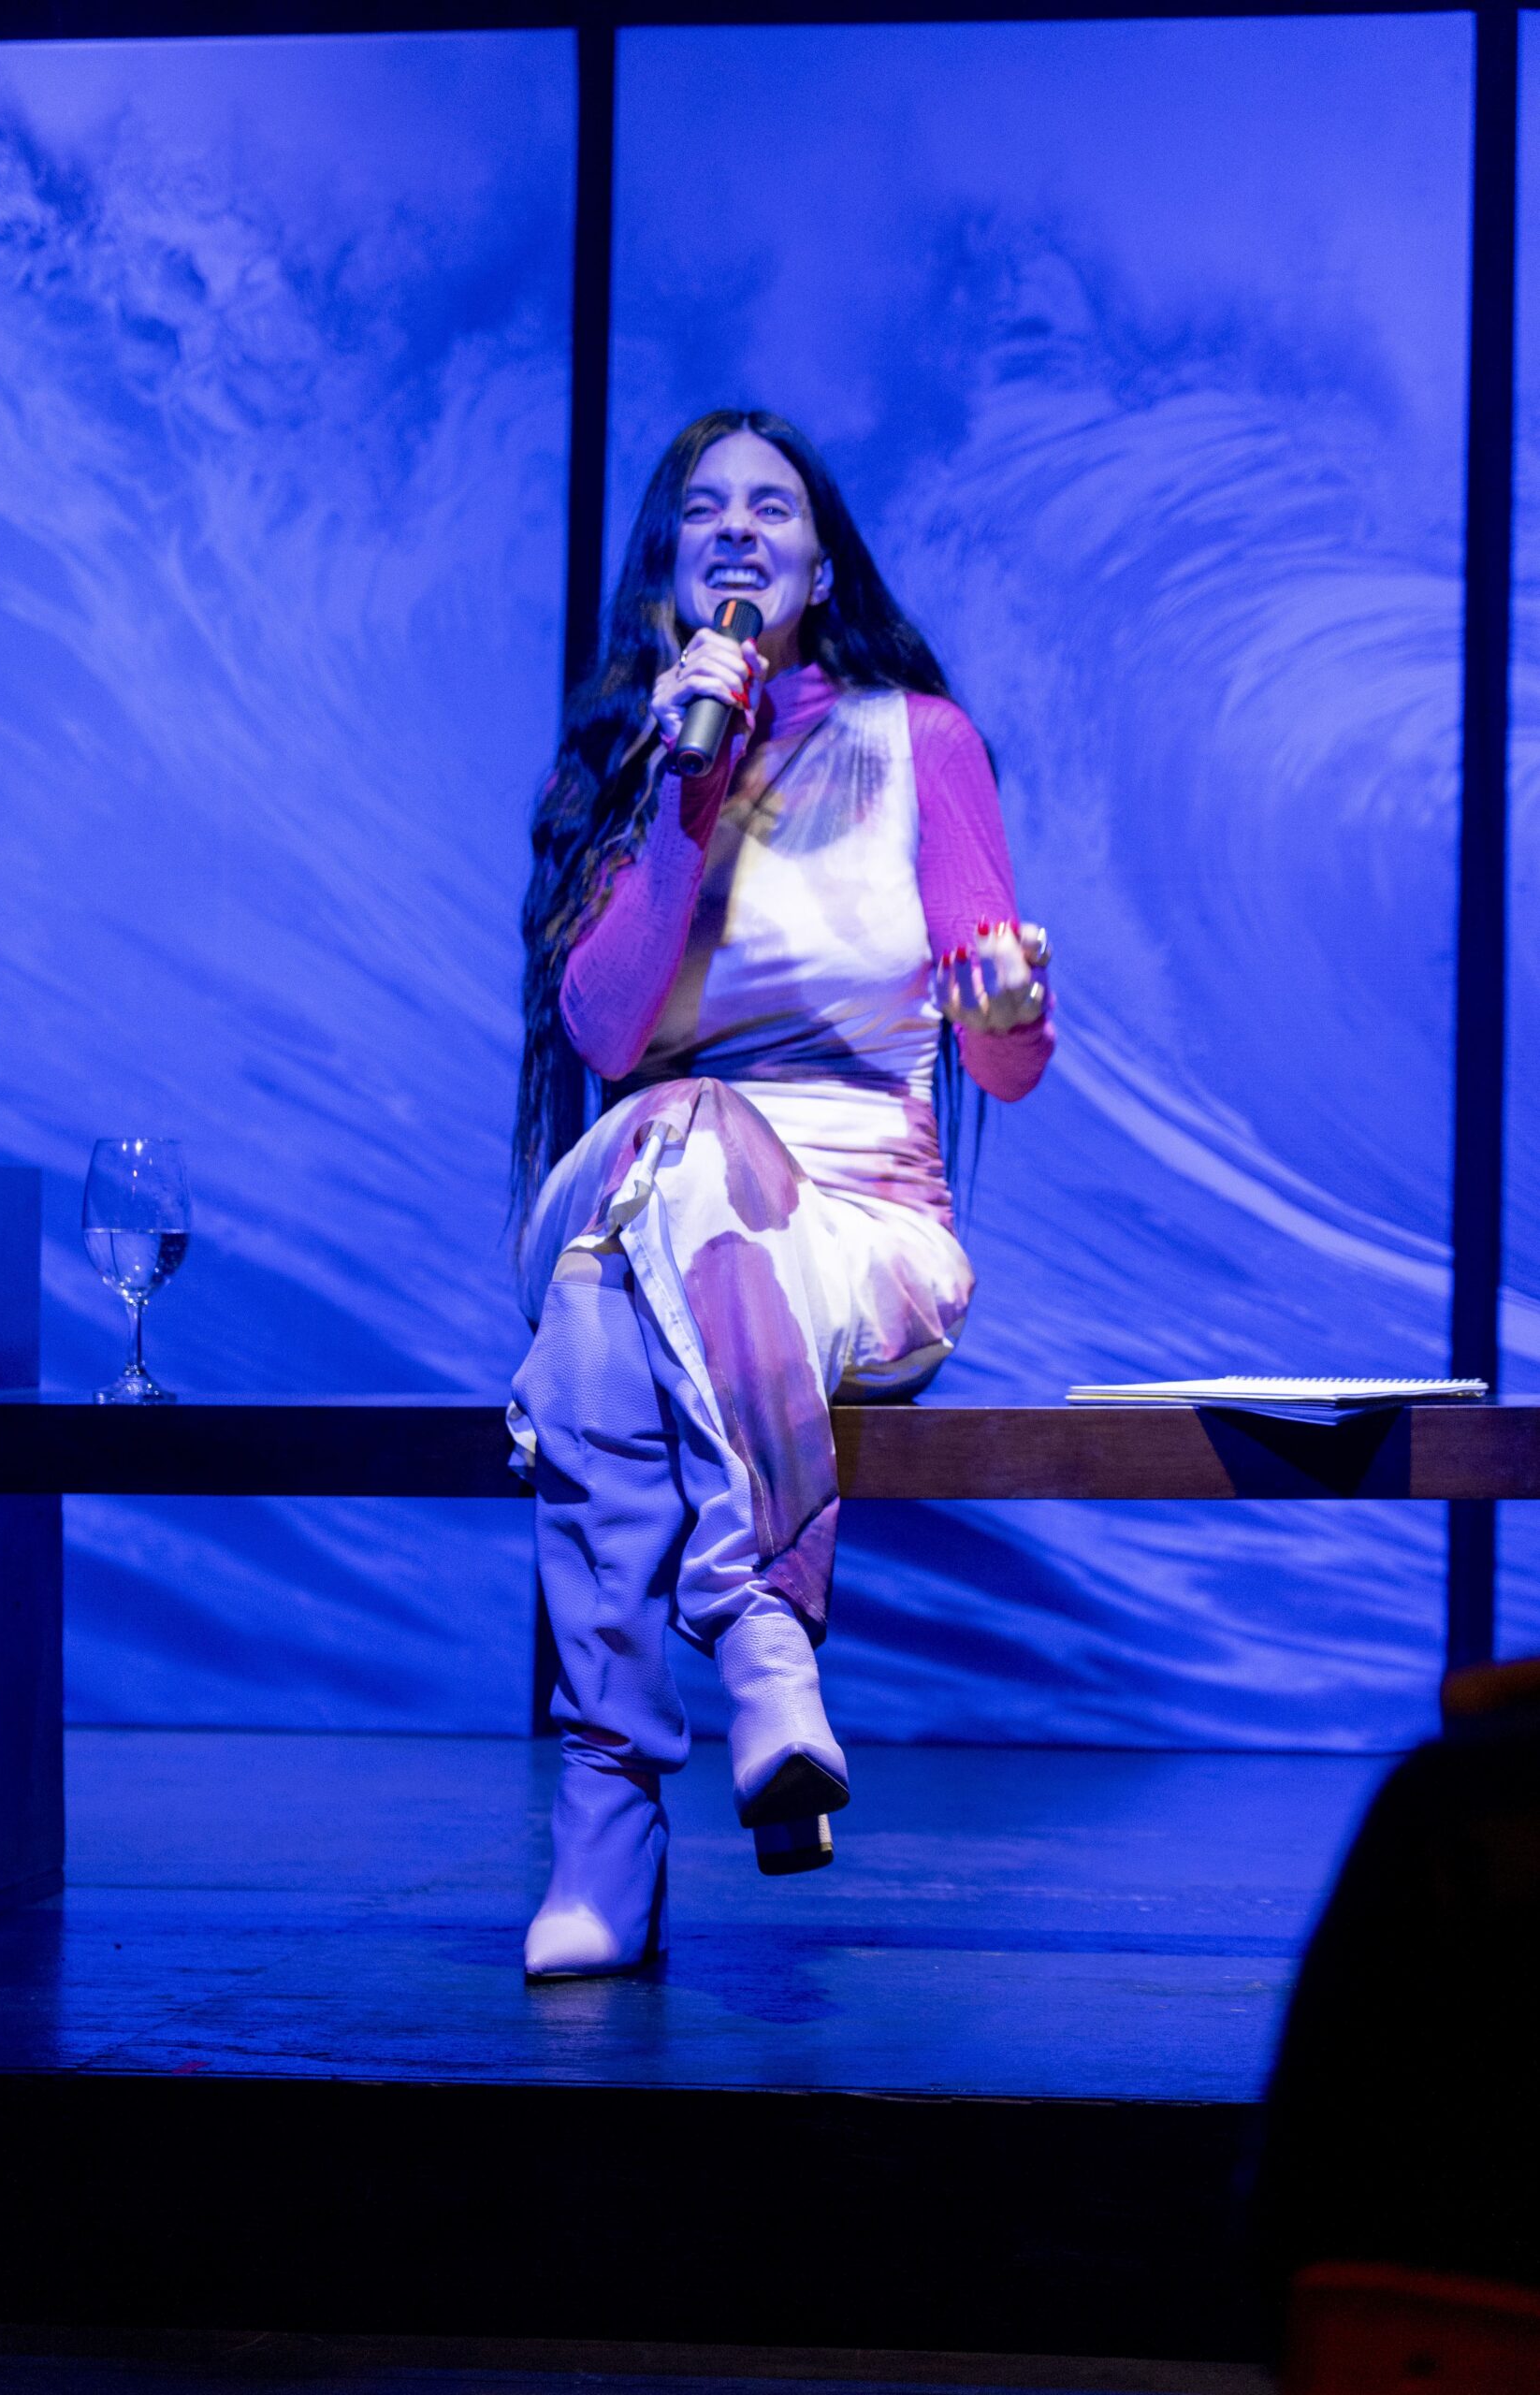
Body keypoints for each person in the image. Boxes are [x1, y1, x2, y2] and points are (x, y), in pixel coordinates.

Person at [509, 408, 1053, 1980]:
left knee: (595, 1319)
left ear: (820, 567)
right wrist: (690, 783)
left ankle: (607, 1820)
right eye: (704, 511)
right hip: (649, 1171)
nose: (738, 528)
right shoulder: (643, 760)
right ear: (670, 568)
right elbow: (609, 1036)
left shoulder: (918, 743)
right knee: (670, 1141)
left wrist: (1010, 1015)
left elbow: (1002, 1057)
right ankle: (764, 1651)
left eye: (774, 508)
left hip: (861, 1229)